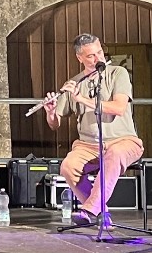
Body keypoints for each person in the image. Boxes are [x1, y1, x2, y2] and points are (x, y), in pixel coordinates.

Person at [43, 33, 143, 226]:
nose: (98, 58)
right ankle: (101, 212)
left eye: (99, 52)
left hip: (123, 141)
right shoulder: (75, 83)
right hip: (88, 145)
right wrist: (51, 112)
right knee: (68, 167)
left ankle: (90, 209)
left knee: (115, 153)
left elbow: (119, 108)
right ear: (79, 58)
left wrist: (81, 99)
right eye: (91, 56)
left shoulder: (118, 73)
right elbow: (54, 125)